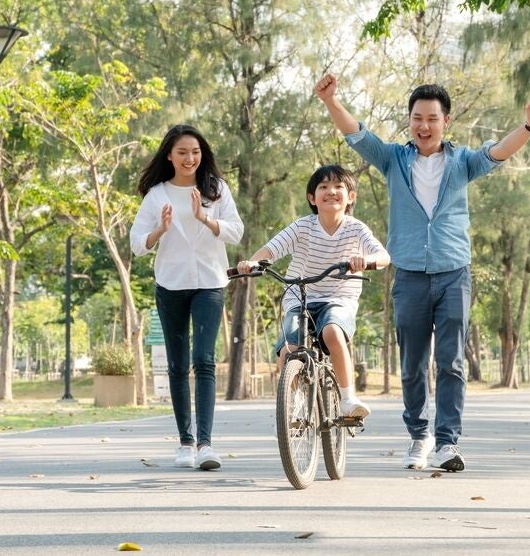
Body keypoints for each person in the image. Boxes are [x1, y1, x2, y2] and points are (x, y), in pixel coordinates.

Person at [314, 73, 530, 471]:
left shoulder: (463, 162)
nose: (424, 126)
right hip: (409, 274)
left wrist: (529, 126)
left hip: (453, 272)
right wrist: (331, 101)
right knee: (412, 363)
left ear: (446, 122)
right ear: (409, 121)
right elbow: (356, 133)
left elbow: (500, 151)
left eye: (432, 118)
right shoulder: (393, 159)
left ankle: (447, 442)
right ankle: (419, 436)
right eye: (417, 118)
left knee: (451, 361)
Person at [129, 125, 244, 471]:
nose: (189, 158)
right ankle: (185, 443)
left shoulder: (216, 190)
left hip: (209, 282)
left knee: (204, 359)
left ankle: (206, 445)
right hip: (171, 284)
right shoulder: (157, 195)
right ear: (169, 155)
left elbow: (236, 232)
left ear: (202, 154)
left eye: (195, 152)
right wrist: (159, 230)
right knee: (178, 365)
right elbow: (137, 245)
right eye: (182, 152)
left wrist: (205, 218)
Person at [236, 164, 390, 418]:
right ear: (312, 197)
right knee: (289, 349)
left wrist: (367, 260)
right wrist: (252, 263)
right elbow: (270, 250)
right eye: (323, 187)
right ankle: (294, 404)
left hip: (339, 298)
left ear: (351, 196)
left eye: (339, 186)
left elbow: (383, 255)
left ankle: (348, 399)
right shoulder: (302, 227)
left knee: (331, 332)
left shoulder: (356, 229)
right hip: (300, 296)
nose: (331, 191)